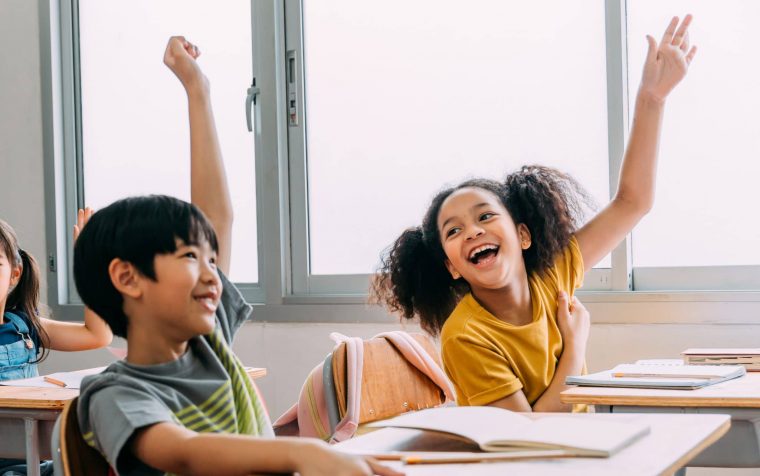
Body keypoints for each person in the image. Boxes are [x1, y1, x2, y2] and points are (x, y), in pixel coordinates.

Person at [74, 36, 401, 476]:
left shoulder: (208, 344)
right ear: (128, 278)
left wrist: (198, 89)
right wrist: (305, 453)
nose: (214, 274)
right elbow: (184, 452)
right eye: (192, 256)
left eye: (214, 260)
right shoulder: (113, 394)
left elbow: (217, 216)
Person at [372, 16, 697, 412]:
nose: (472, 231)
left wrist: (653, 99)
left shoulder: (552, 278)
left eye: (485, 217)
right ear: (453, 267)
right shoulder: (466, 336)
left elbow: (633, 202)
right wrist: (574, 345)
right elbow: (526, 434)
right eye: (454, 231)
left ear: (523, 235)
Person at [0, 210, 112, 475]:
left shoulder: (25, 327)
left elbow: (98, 335)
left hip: (32, 461)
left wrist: (90, 266)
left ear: (14, 275)